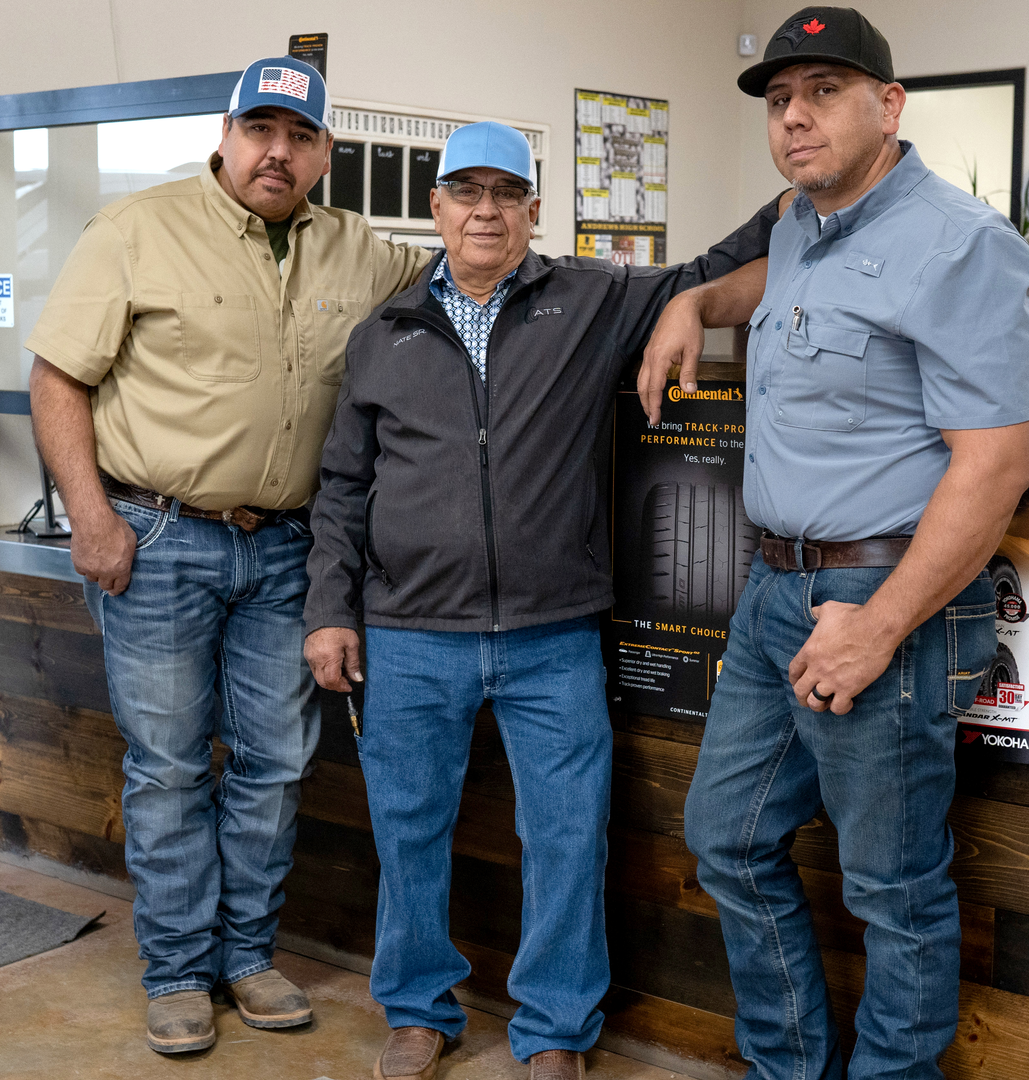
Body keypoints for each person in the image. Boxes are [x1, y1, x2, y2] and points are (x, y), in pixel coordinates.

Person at [302, 121, 781, 1080]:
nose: (484, 212)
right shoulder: (385, 333)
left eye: (504, 195)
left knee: (567, 834)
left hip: (553, 635)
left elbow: (719, 263)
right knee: (408, 828)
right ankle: (416, 1008)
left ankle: (556, 1029)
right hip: (407, 634)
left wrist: (805, 187)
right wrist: (329, 609)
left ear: (533, 210)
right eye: (465, 193)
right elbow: (343, 487)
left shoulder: (594, 301)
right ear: (435, 209)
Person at [23, 55, 431, 1055]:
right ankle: (175, 972)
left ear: (327, 153)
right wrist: (92, 516)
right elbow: (56, 376)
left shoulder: (361, 254)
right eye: (261, 131)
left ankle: (245, 954)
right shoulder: (137, 230)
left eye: (299, 138)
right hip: (156, 539)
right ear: (226, 133)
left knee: (275, 764)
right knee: (167, 769)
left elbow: (466, 281)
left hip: (288, 548)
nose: (276, 153)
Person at [664, 8, 1029, 1079]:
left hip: (889, 601)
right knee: (728, 839)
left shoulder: (963, 244)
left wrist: (878, 624)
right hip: (774, 587)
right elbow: (771, 288)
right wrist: (693, 298)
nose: (795, 117)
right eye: (781, 101)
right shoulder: (800, 223)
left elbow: (994, 467)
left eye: (824, 91)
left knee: (892, 887)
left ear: (889, 105)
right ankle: (789, 1067)